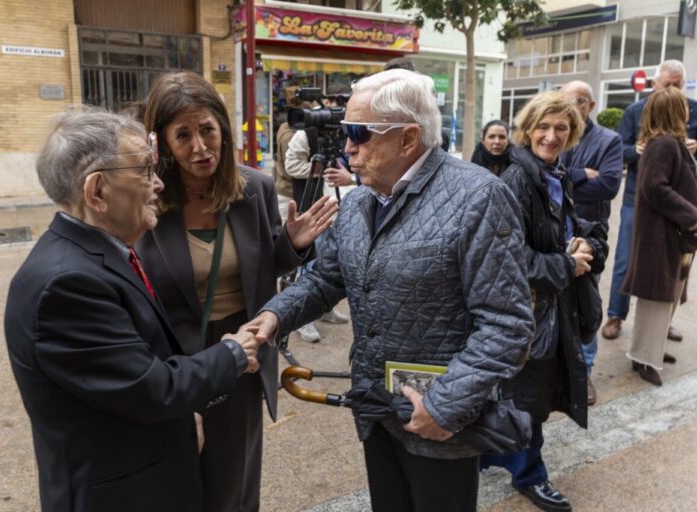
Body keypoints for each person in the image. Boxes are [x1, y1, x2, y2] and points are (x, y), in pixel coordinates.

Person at [244, 69, 534, 512]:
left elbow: (507, 324)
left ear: (408, 138)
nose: (347, 148)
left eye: (359, 133)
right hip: (376, 410)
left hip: (440, 423)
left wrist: (444, 406)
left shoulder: (480, 197)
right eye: (345, 132)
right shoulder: (360, 200)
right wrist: (277, 314)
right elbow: (327, 277)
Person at [4, 109, 261, 512]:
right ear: (97, 191)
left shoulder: (97, 254)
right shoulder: (66, 284)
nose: (158, 183)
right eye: (144, 170)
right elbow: (151, 387)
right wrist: (231, 352)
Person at [135, 71, 338, 512]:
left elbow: (263, 265)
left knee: (232, 479)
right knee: (176, 475)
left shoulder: (254, 189)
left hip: (241, 350)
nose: (199, 147)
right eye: (182, 135)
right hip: (170, 359)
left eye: (207, 129)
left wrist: (293, 245)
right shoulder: (147, 198)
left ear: (223, 130)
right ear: (162, 142)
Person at [480, 91, 608, 512]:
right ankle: (529, 475)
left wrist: (586, 242)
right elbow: (506, 258)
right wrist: (565, 265)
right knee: (526, 398)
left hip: (549, 305)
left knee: (522, 393)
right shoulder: (518, 180)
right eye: (543, 127)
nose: (551, 136)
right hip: (527, 308)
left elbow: (563, 226)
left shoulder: (556, 173)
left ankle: (488, 454)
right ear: (527, 129)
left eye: (561, 128)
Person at [602, 60, 697, 342]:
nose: (673, 91)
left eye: (678, 85)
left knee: (675, 266)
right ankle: (616, 315)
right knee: (626, 261)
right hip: (638, 199)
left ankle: (661, 322)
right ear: (655, 84)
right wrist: (637, 149)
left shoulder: (692, 108)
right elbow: (620, 150)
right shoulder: (635, 111)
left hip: (679, 204)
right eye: (667, 85)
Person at [621, 87, 697, 386]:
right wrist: (692, 215)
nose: (689, 111)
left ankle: (652, 351)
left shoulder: (668, 142)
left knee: (669, 297)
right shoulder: (663, 144)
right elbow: (655, 187)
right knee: (657, 300)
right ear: (676, 112)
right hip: (662, 236)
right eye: (684, 107)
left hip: (672, 235)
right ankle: (643, 359)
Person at [560, 80, 623, 406]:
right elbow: (541, 179)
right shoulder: (555, 133)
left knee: (585, 306)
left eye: (580, 101)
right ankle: (556, 372)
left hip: (589, 236)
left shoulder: (608, 140)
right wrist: (583, 174)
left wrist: (563, 179)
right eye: (568, 101)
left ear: (592, 105)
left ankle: (583, 374)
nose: (574, 107)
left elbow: (610, 186)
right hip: (552, 234)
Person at [285, 108, 351, 343]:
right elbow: (291, 165)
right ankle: (304, 320)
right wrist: (317, 171)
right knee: (308, 266)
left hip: (338, 211)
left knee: (329, 267)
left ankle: (325, 309)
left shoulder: (347, 133)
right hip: (314, 209)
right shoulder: (305, 135)